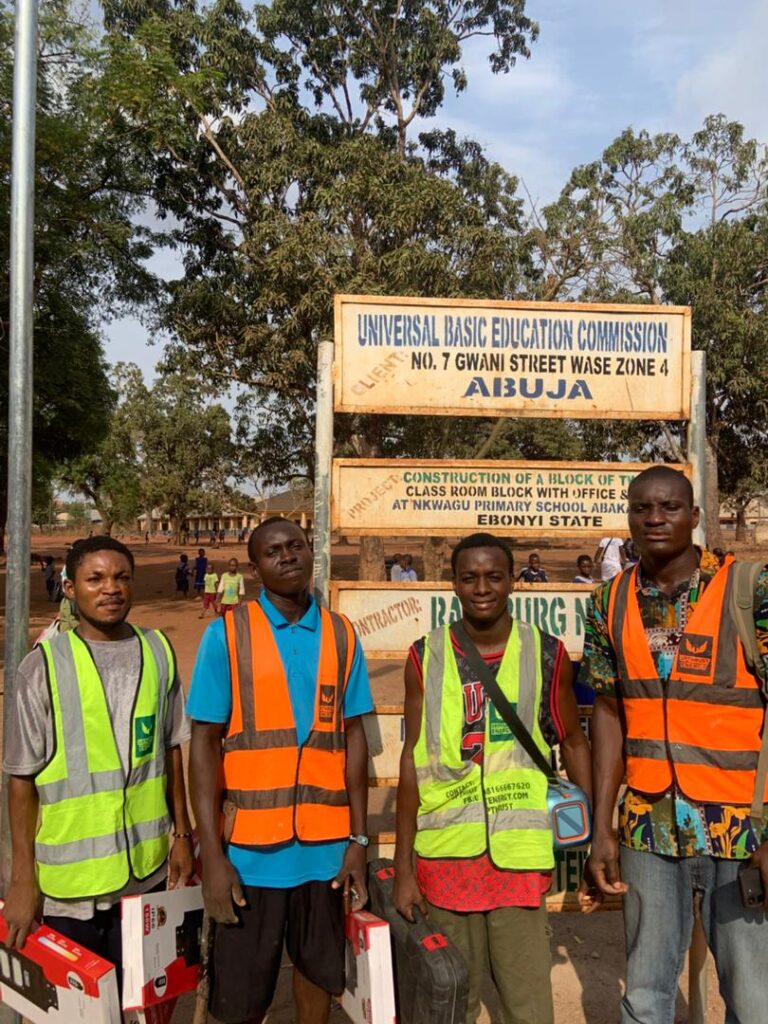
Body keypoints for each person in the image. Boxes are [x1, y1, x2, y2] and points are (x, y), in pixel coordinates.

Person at [580, 466, 768, 1024]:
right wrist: (603, 827)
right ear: (629, 517)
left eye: (669, 507)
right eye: (642, 508)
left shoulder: (749, 589)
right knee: (645, 993)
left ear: (695, 516)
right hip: (648, 827)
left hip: (742, 828)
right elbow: (608, 712)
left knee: (753, 997)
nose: (655, 519)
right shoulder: (608, 602)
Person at [394, 532, 591, 1024]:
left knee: (528, 1006)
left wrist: (588, 841)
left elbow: (573, 742)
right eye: (469, 578)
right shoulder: (425, 656)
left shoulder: (546, 653)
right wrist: (403, 868)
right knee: (450, 1003)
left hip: (518, 863)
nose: (482, 588)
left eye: (494, 577)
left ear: (513, 582)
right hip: (445, 861)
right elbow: (412, 761)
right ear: (453, 584)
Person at [188, 516, 374, 1024]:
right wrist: (213, 857)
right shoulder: (226, 635)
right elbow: (203, 745)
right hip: (249, 855)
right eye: (273, 551)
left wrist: (358, 842)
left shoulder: (341, 634)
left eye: (296, 545)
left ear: (311, 551)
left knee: (319, 976)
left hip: (326, 854)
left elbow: (354, 738)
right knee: (242, 996)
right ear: (255, 569)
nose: (287, 556)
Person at [2, 535, 194, 980]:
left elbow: (170, 749)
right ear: (70, 588)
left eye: (121, 577)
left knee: (140, 998)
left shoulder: (158, 651)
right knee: (77, 1005)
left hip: (145, 876)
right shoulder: (43, 666)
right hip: (70, 891)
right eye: (96, 579)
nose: (111, 588)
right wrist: (22, 879)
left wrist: (182, 834)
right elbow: (20, 779)